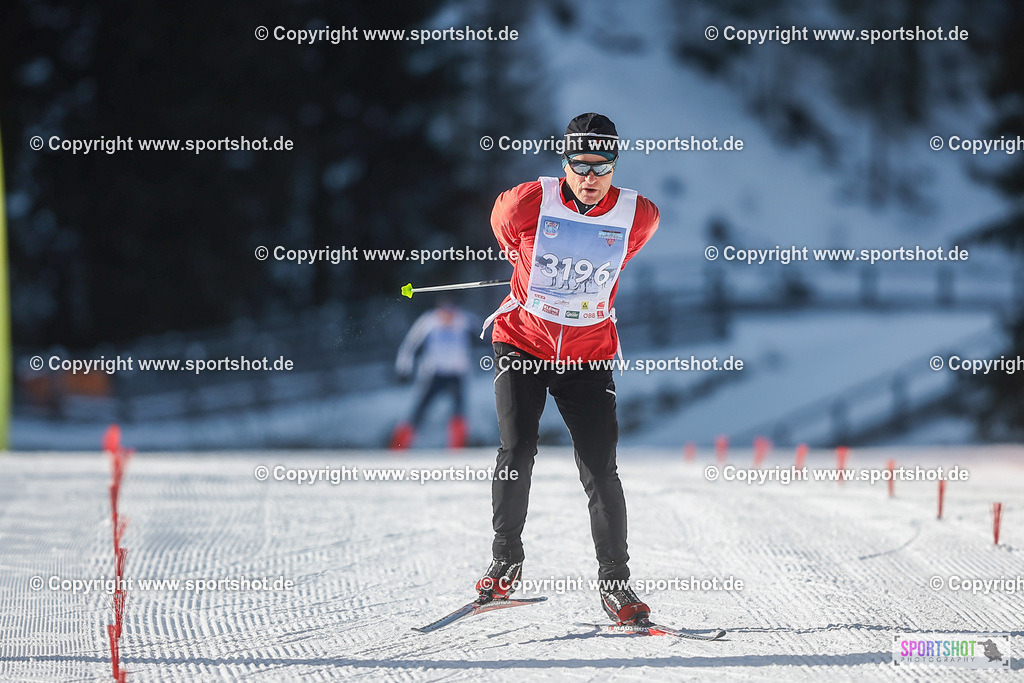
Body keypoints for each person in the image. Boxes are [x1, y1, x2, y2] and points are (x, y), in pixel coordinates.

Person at [476, 113, 660, 624]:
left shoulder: (638, 214)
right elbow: (504, 230)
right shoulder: (528, 201)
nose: (590, 176)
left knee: (600, 467)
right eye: (580, 164)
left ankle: (617, 586)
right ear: (565, 162)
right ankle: (505, 559)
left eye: (602, 166)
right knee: (517, 447)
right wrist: (525, 263)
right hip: (522, 342)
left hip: (587, 354)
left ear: (614, 165)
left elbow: (623, 255)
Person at [389, 301, 473, 449]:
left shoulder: (464, 319)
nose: (448, 318)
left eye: (451, 314)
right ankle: (398, 446)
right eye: (444, 314)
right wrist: (404, 367)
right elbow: (410, 344)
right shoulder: (429, 321)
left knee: (459, 413)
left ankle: (459, 448)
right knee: (419, 411)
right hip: (434, 374)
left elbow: (488, 334)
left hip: (456, 374)